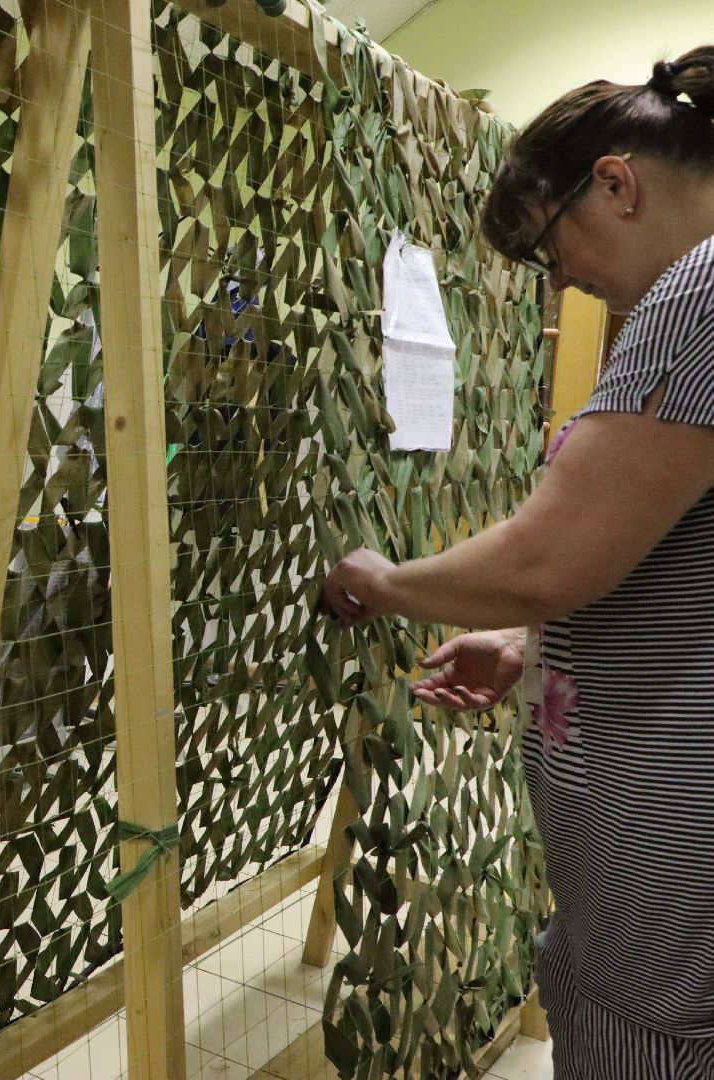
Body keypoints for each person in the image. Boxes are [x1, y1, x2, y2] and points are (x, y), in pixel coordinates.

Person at [321, 48, 714, 1080]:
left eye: (552, 245)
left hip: (673, 880)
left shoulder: (701, 293)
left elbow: (551, 558)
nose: (564, 279)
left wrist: (380, 579)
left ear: (617, 182)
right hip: (642, 859)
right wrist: (531, 641)